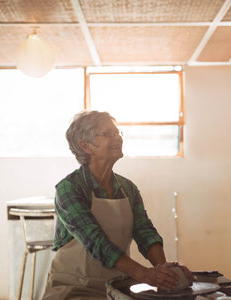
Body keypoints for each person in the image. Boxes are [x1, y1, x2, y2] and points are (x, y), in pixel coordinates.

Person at [43, 110, 191, 299]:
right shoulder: (69, 188)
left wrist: (164, 271)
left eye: (117, 132)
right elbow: (96, 242)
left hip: (115, 287)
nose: (118, 138)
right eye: (107, 134)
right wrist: (145, 274)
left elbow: (145, 231)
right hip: (73, 288)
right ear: (86, 146)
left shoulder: (128, 188)